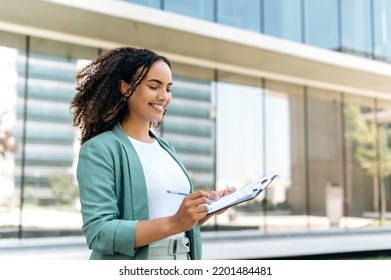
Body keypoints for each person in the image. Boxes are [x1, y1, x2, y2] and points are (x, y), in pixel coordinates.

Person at [71, 47, 235, 260]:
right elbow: (100, 233)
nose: (163, 96)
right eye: (153, 86)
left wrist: (205, 209)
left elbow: (174, 218)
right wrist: (175, 222)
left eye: (168, 88)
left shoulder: (166, 148)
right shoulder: (100, 149)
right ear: (125, 87)